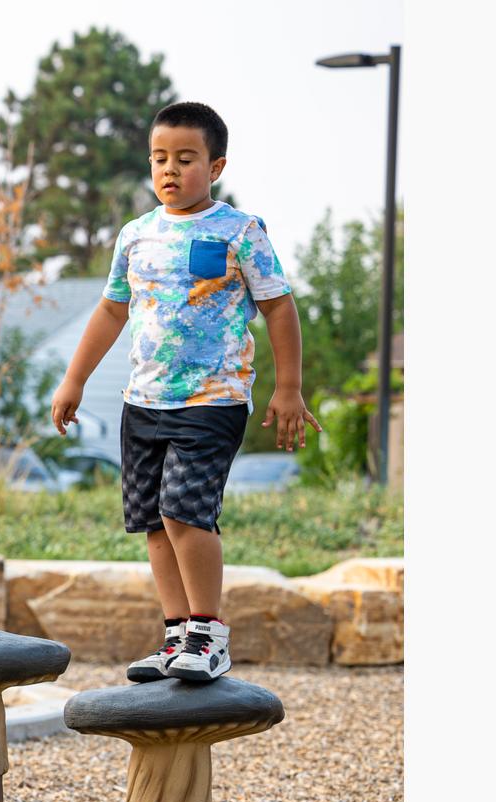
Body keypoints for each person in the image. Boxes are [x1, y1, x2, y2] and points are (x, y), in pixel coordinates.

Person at [49, 102, 320, 683]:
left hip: (213, 398)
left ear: (215, 166)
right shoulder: (136, 234)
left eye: (186, 158)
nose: (170, 169)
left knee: (184, 513)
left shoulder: (240, 231)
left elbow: (277, 305)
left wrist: (289, 387)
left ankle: (208, 635)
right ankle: (176, 638)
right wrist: (74, 379)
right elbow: (109, 309)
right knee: (152, 522)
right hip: (142, 401)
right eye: (160, 158)